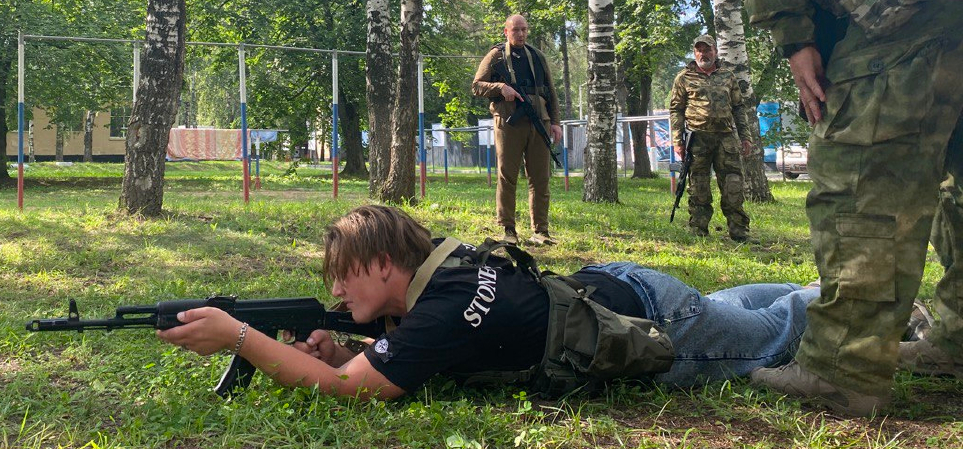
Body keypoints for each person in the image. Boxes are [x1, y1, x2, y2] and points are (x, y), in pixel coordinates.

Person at [680, 0, 963, 416]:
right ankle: (957, 340)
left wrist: (792, 34)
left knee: (862, 181)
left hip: (902, 13)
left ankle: (842, 369)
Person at [155, 204, 820, 400]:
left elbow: (349, 389)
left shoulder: (440, 308)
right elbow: (410, 350)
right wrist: (354, 340)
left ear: (386, 264)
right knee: (743, 306)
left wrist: (240, 337)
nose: (336, 292)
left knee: (774, 330)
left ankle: (865, 299)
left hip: (648, 321)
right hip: (623, 286)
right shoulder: (436, 274)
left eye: (347, 276)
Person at [472, 14, 563, 245]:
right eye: (515, 30)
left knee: (541, 178)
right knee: (507, 175)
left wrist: (555, 122)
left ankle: (541, 231)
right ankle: (508, 230)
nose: (520, 34)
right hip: (509, 121)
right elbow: (477, 86)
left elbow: (550, 91)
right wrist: (500, 87)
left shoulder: (537, 56)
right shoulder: (496, 55)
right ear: (506, 32)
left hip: (539, 121)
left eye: (524, 29)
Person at [668, 33, 753, 241]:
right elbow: (676, 110)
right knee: (699, 187)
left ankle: (738, 230)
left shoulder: (728, 76)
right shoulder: (684, 78)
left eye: (707, 50)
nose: (703, 54)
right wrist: (677, 140)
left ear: (715, 51)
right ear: (694, 52)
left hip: (726, 138)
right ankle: (699, 230)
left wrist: (745, 137)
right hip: (697, 139)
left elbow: (739, 108)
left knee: (733, 185)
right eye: (699, 50)